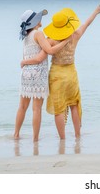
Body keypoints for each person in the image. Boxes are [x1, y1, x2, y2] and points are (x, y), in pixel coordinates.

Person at [25, 4, 100, 140]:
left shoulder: (51, 41)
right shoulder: (76, 35)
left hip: (57, 75)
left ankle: (62, 139)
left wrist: (25, 61)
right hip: (72, 73)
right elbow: (87, 24)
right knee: (74, 105)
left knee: (59, 109)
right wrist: (96, 12)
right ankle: (78, 136)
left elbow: (40, 56)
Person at [15, 9, 69, 142]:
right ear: (35, 22)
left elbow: (26, 56)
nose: (41, 20)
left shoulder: (26, 36)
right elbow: (49, 51)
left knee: (22, 106)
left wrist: (24, 62)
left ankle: (16, 134)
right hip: (38, 74)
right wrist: (65, 42)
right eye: (39, 18)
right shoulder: (38, 34)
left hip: (26, 74)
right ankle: (35, 139)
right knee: (36, 109)